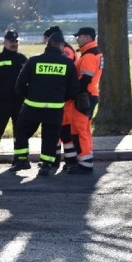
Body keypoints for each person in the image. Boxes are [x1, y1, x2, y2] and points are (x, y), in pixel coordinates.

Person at [8, 32, 79, 177]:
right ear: (60, 45)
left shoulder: (34, 61)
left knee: (21, 131)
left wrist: (30, 95)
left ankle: (22, 160)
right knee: (50, 137)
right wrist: (60, 98)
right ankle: (46, 166)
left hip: (32, 106)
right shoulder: (67, 64)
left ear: (48, 44)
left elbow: (19, 84)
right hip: (54, 108)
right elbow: (73, 90)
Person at [0, 29, 27, 168]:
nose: (14, 44)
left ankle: (19, 159)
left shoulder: (23, 60)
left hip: (19, 103)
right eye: (11, 41)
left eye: (16, 41)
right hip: (1, 103)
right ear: (5, 42)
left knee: (19, 131)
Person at [66, 27, 103, 175]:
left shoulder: (88, 56)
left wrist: (72, 92)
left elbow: (85, 79)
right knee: (84, 129)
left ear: (87, 37)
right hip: (90, 95)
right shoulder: (96, 53)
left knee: (80, 129)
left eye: (79, 37)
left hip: (83, 96)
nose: (77, 39)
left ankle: (85, 163)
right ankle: (85, 160)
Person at [43, 25, 77, 168]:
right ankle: (54, 159)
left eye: (46, 39)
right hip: (59, 97)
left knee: (64, 132)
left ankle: (70, 161)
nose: (44, 41)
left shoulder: (66, 51)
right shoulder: (64, 50)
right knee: (56, 132)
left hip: (64, 100)